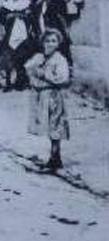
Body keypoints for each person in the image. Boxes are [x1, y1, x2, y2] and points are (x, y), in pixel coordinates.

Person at [25, 28, 71, 171]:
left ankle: (56, 157)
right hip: (42, 95)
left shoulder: (60, 59)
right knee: (47, 126)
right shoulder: (39, 57)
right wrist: (34, 74)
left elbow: (62, 79)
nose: (50, 44)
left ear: (58, 43)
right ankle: (53, 157)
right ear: (43, 42)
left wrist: (44, 75)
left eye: (54, 41)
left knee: (55, 125)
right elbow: (28, 69)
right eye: (47, 41)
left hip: (54, 96)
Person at [0, 0, 35, 91]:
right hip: (10, 34)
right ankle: (8, 82)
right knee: (9, 57)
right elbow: (0, 19)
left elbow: (32, 18)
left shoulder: (26, 3)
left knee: (22, 56)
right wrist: (7, 17)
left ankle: (21, 81)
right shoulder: (6, 5)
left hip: (24, 34)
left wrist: (23, 16)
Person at [30, 0, 73, 64]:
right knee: (41, 42)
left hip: (54, 23)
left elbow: (62, 10)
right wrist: (38, 4)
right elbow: (32, 10)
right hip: (39, 22)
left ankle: (63, 67)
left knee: (57, 42)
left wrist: (51, 2)